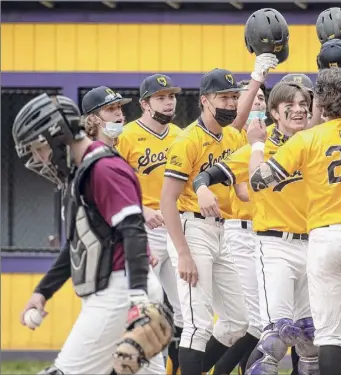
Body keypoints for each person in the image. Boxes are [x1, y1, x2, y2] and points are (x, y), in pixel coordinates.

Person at [246, 67, 341, 375]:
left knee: (329, 335)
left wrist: (257, 145)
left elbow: (258, 180)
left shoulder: (307, 139)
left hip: (323, 239)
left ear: (320, 104)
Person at [15, 93, 166, 374]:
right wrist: (42, 292)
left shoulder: (103, 168)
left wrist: (137, 297)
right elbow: (77, 243)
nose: (39, 158)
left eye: (39, 148)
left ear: (57, 135)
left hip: (121, 290)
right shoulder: (81, 171)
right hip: (122, 287)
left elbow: (133, 230)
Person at [192, 81, 316, 375]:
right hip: (267, 240)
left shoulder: (315, 142)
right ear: (274, 112)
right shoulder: (258, 147)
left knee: (310, 335)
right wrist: (201, 190)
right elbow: (206, 176)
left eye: (303, 105)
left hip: (312, 243)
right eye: (291, 105)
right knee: (272, 331)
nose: (299, 110)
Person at [160, 67, 271, 375]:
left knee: (239, 320)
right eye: (224, 97)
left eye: (234, 97)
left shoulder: (232, 136)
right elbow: (167, 200)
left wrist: (258, 78)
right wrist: (182, 253)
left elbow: (242, 191)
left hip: (220, 231)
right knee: (198, 323)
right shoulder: (187, 140)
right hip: (190, 228)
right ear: (205, 100)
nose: (231, 103)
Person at [115, 73, 184, 375]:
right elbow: (113, 185)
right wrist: (141, 209)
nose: (169, 102)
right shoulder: (126, 136)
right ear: (145, 104)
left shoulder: (180, 135)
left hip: (176, 226)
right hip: (143, 229)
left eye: (171, 97)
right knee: (144, 305)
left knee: (186, 310)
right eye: (161, 97)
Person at [212, 75, 273, 374]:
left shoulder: (271, 138)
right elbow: (243, 190)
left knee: (262, 321)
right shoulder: (235, 137)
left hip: (267, 236)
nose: (257, 102)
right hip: (240, 231)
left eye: (262, 98)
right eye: (252, 98)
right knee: (252, 321)